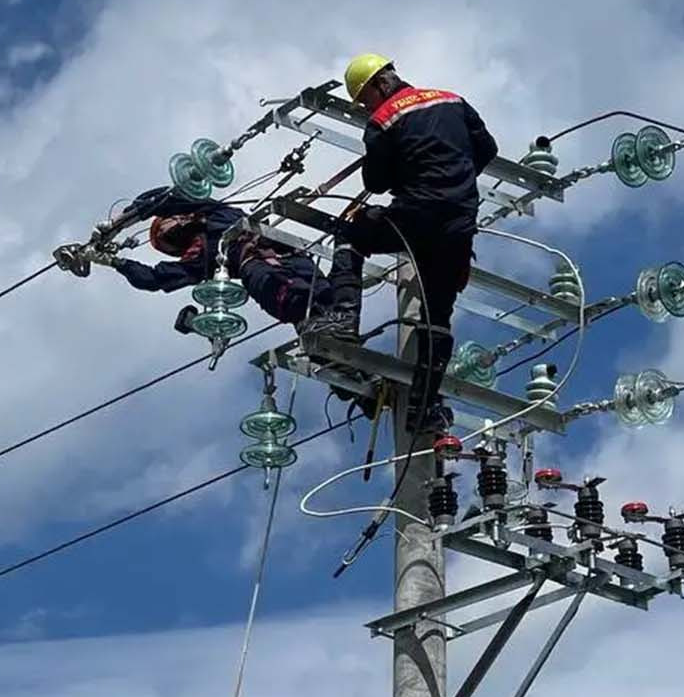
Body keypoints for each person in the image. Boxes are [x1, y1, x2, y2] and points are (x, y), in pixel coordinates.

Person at [309, 53, 498, 439]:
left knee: (350, 233)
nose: (367, 108)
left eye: (365, 99)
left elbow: (376, 183)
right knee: (436, 318)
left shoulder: (383, 119)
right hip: (459, 222)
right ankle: (423, 408)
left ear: (380, 84)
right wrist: (455, 177)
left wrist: (412, 175)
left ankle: (343, 318)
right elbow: (487, 149)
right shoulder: (452, 99)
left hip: (417, 215)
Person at [99, 186, 340, 332]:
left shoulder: (213, 212)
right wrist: (116, 262)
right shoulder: (198, 256)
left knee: (332, 300)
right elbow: (154, 279)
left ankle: (337, 335)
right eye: (164, 238)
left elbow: (165, 198)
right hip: (256, 268)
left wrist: (122, 219)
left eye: (164, 225)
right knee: (293, 301)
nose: (167, 230)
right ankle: (327, 349)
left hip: (293, 256)